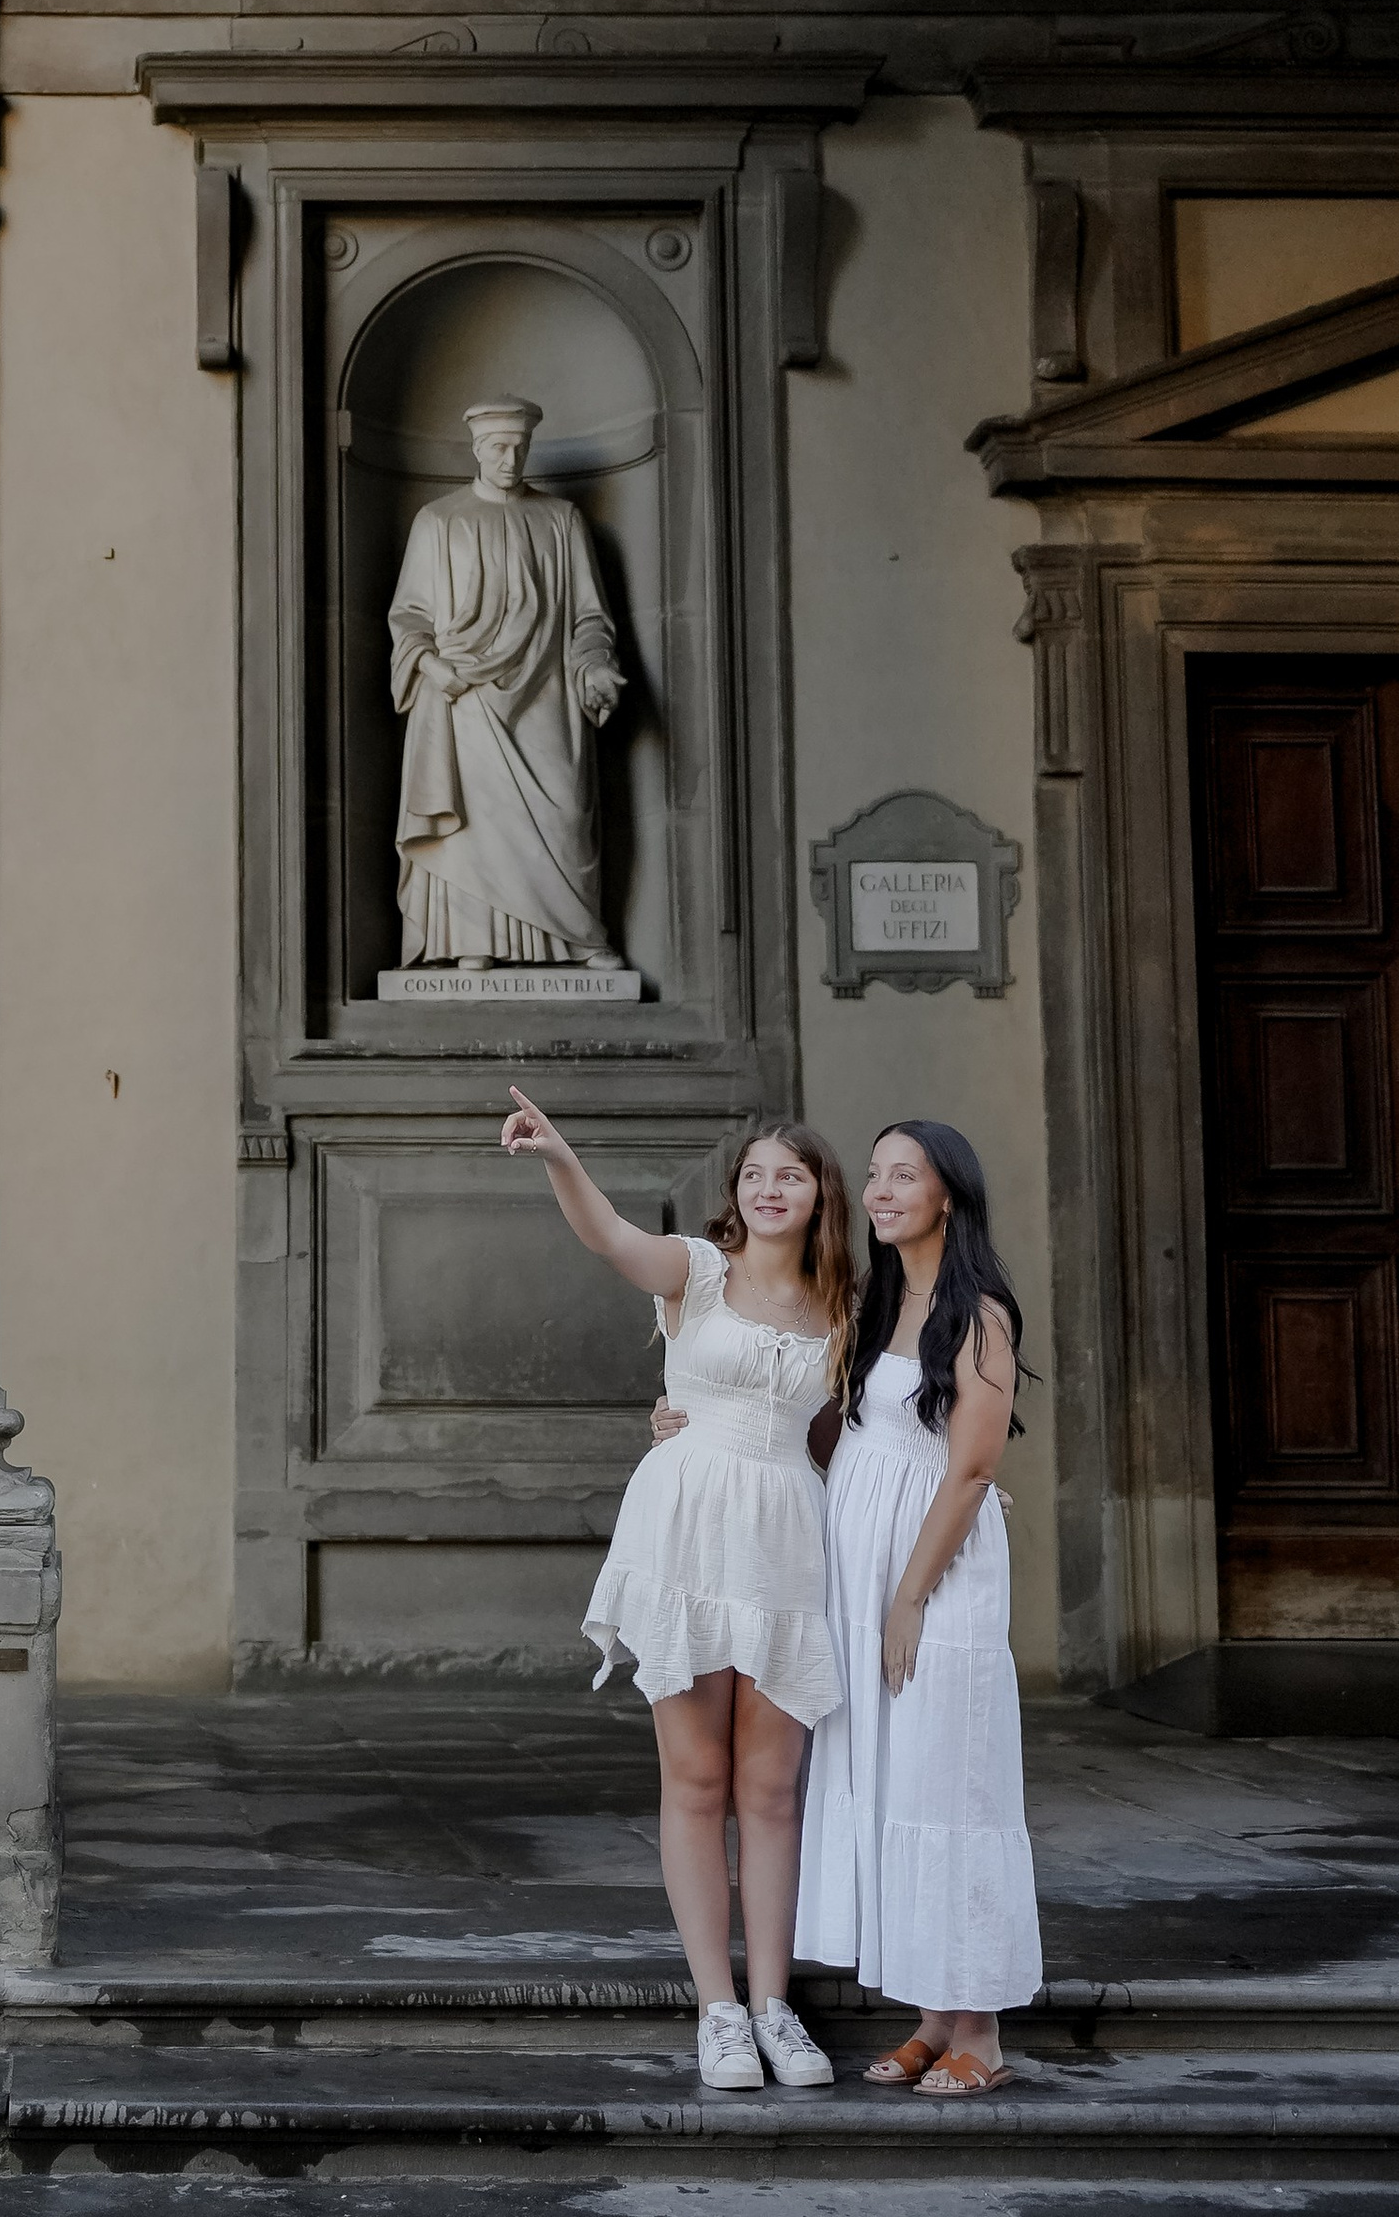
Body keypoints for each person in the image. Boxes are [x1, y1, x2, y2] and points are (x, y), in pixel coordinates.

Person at [501, 1094, 852, 2091]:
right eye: (754, 1175)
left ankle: (776, 2005)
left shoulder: (845, 1306)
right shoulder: (698, 1275)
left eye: (790, 1173)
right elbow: (608, 1236)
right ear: (735, 1195)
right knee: (697, 1782)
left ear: (818, 1190)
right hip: (688, 1533)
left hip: (787, 1539)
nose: (770, 1187)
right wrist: (563, 1155)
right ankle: (718, 2011)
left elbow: (854, 1441)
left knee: (773, 1790)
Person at [794, 1119, 1042, 2098]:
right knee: (897, 1787)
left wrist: (907, 1597)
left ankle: (979, 2024)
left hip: (930, 1589)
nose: (883, 1189)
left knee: (951, 1788)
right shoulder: (880, 1302)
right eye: (875, 1174)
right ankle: (933, 2018)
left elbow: (973, 1467)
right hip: (865, 1590)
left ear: (949, 1196)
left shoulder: (979, 1314)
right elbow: (837, 1434)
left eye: (907, 1174)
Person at [392, 397, 627, 969]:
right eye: (499, 447)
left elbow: (588, 618)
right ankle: (473, 941)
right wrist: (428, 664)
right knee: (475, 822)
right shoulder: (439, 520)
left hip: (547, 695)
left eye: (520, 448)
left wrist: (595, 663)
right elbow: (410, 615)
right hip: (464, 699)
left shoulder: (561, 519)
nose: (510, 458)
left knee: (567, 813)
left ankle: (578, 937)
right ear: (477, 450)